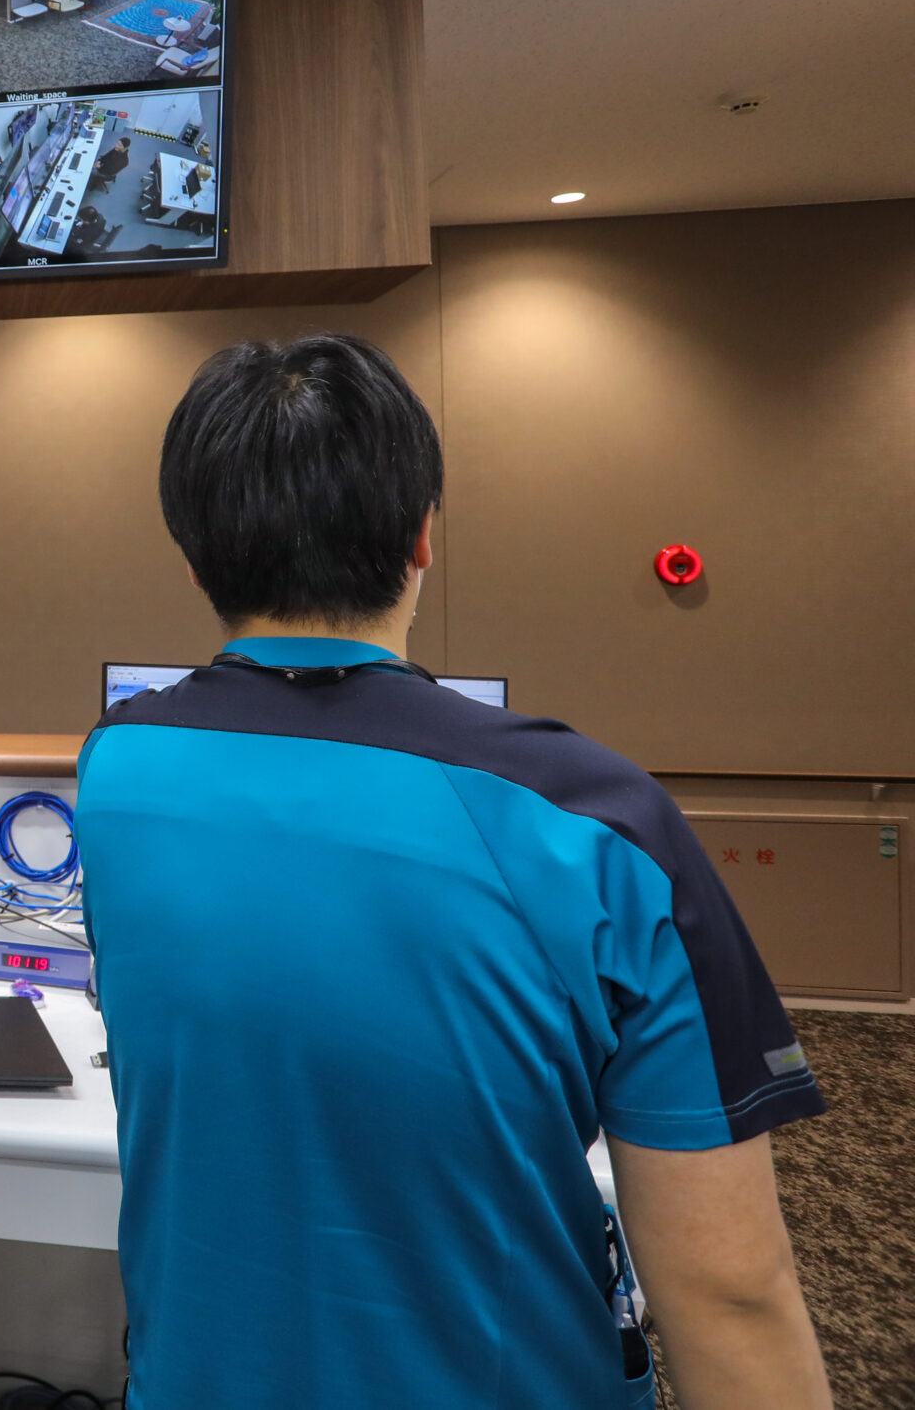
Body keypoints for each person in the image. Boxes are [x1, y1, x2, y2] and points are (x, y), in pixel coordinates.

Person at [75, 334, 830, 1410]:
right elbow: (729, 1293)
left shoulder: (116, 768)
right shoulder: (597, 820)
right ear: (422, 534)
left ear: (194, 556)